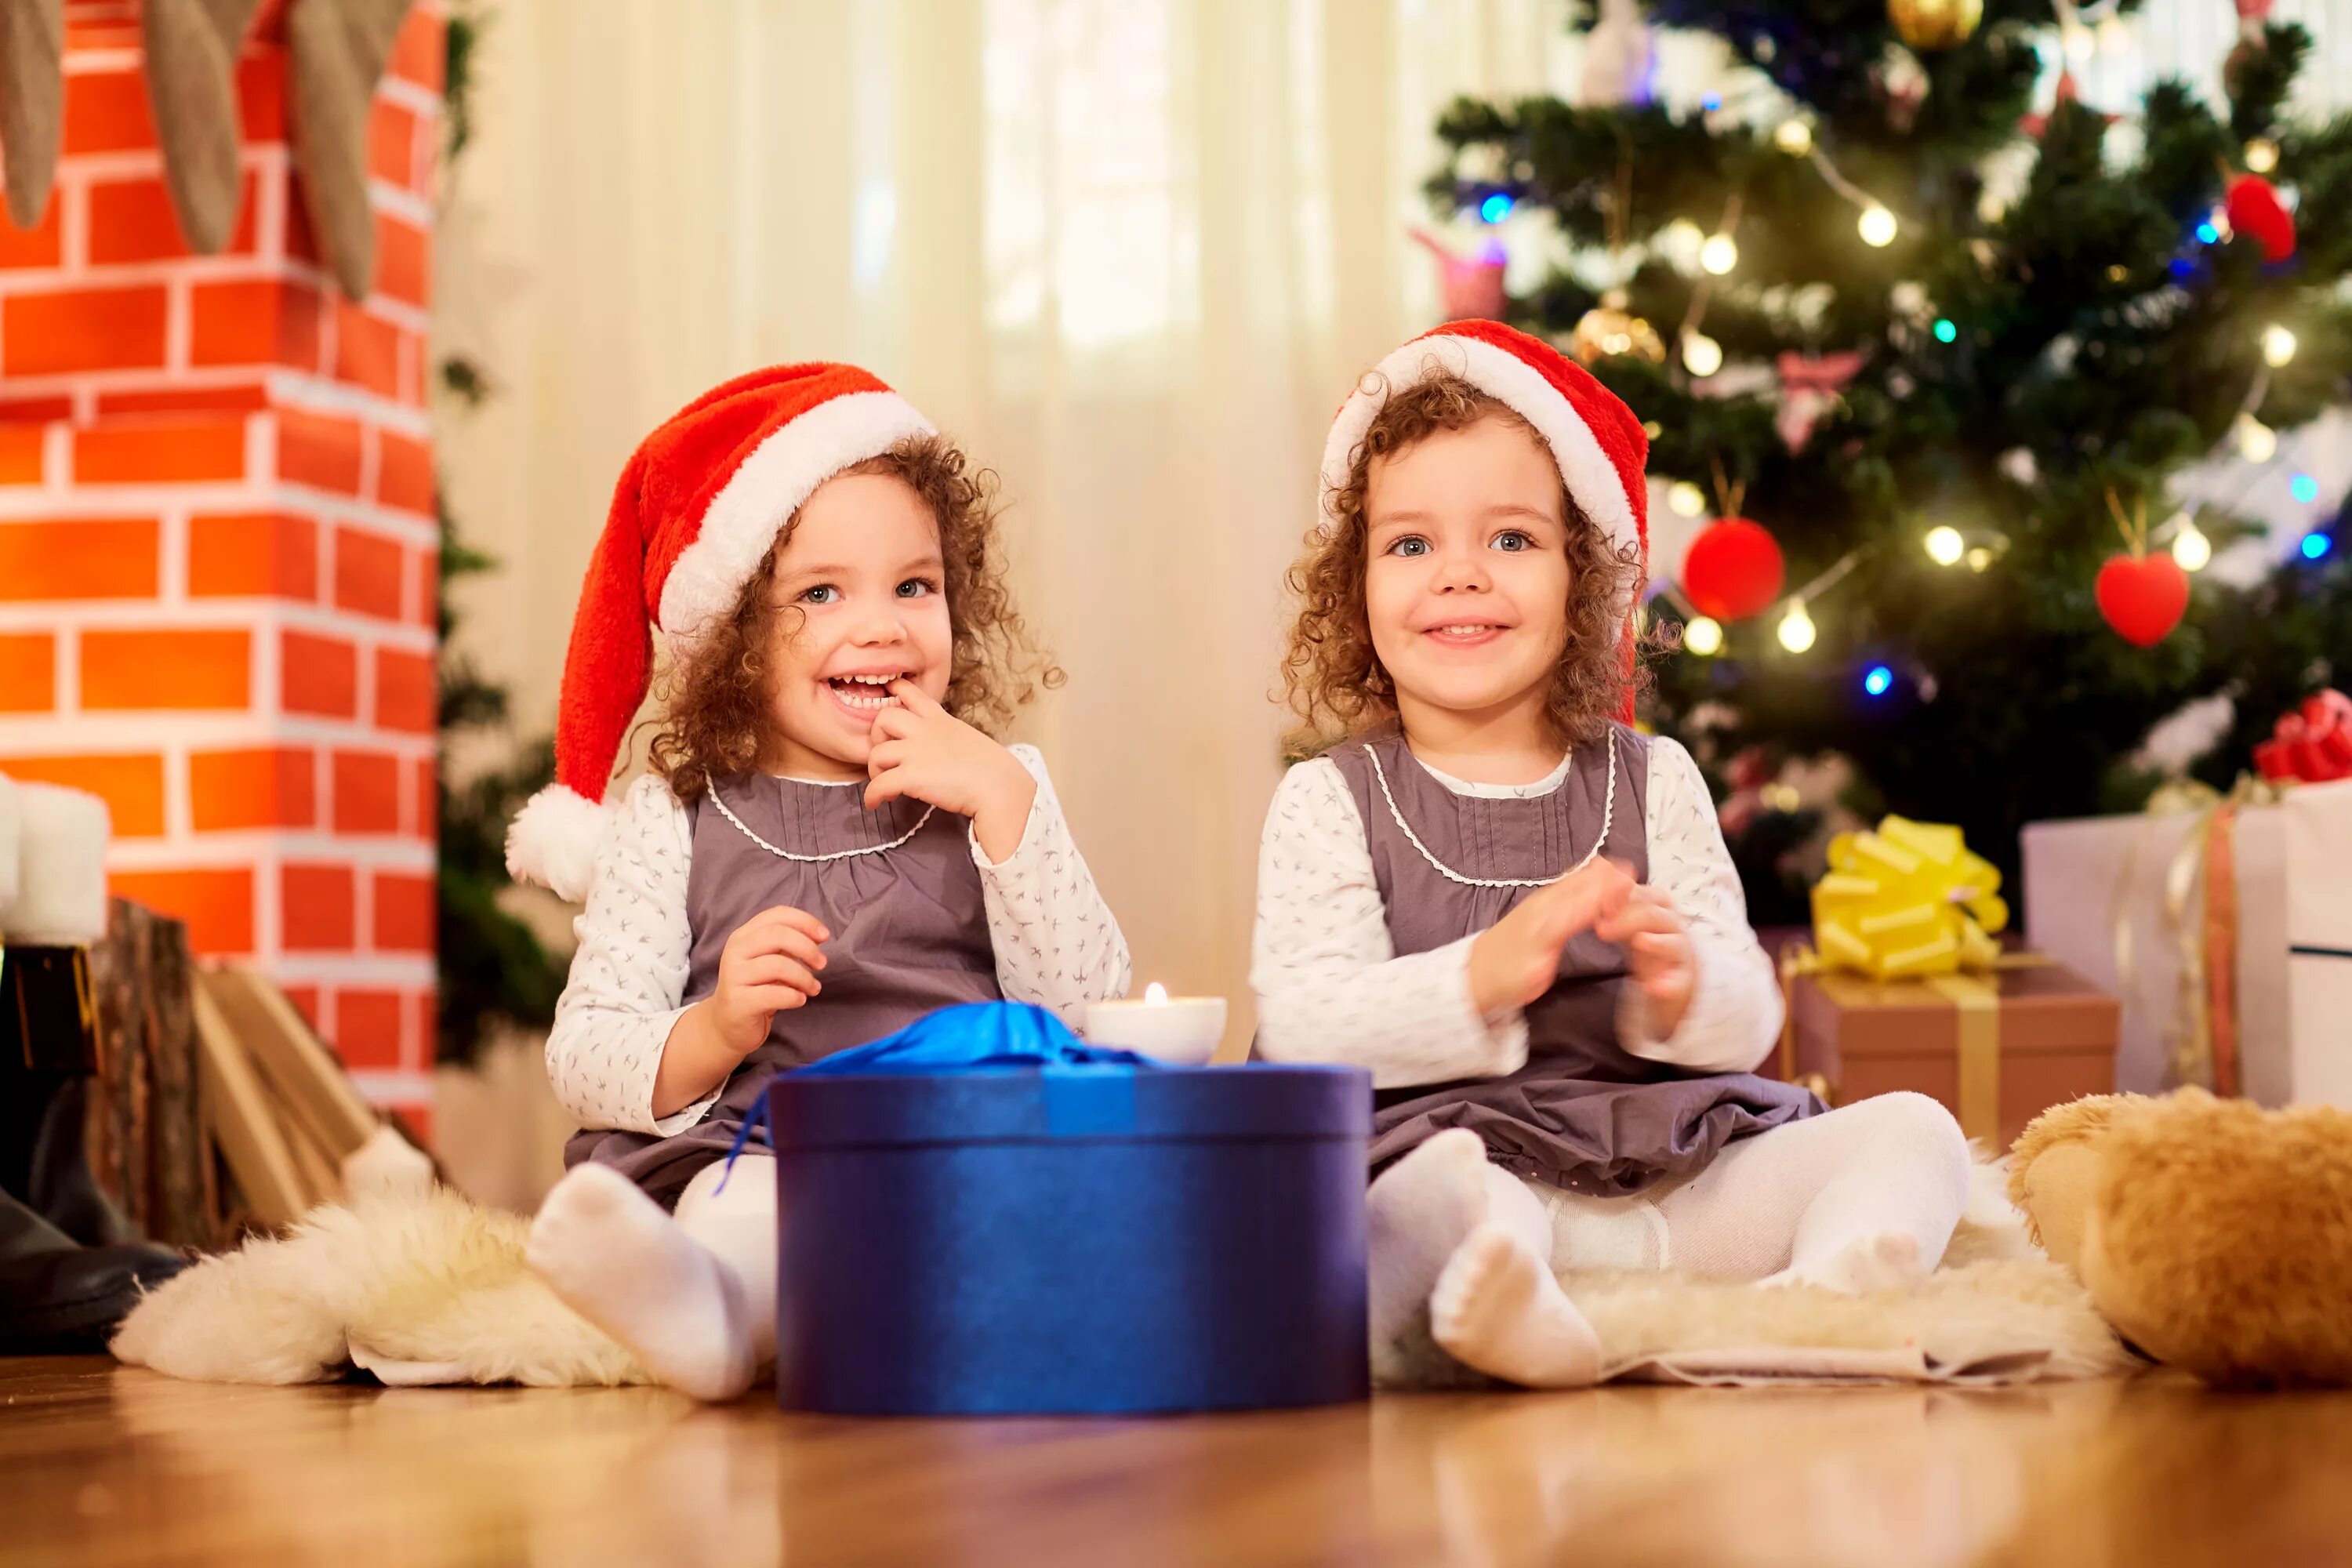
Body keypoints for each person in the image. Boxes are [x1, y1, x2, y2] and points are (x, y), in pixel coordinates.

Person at [1253, 322, 1971, 1388]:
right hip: (1474, 1167)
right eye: (1410, 546)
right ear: (1354, 587)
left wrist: (1684, 992)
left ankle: (1816, 1297)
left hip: (1673, 1181)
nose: (1459, 576)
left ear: (1585, 578)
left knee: (1916, 1131)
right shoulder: (1330, 800)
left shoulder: (1654, 777)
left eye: (1510, 540)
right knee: (1431, 1197)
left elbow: (1753, 1012)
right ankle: (1507, 1308)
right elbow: (1302, 1027)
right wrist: (1479, 978)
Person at [507, 364, 1130, 1400]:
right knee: (741, 1210)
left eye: (914, 586)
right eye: (822, 593)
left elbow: (1091, 1011)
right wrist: (715, 1028)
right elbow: (583, 1057)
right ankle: (717, 1319)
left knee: (1028, 1211)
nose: (882, 626)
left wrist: (1005, 809)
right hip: (764, 1151)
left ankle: (943, 1310)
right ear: (734, 638)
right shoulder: (678, 816)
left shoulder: (998, 783)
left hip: (958, 1147)